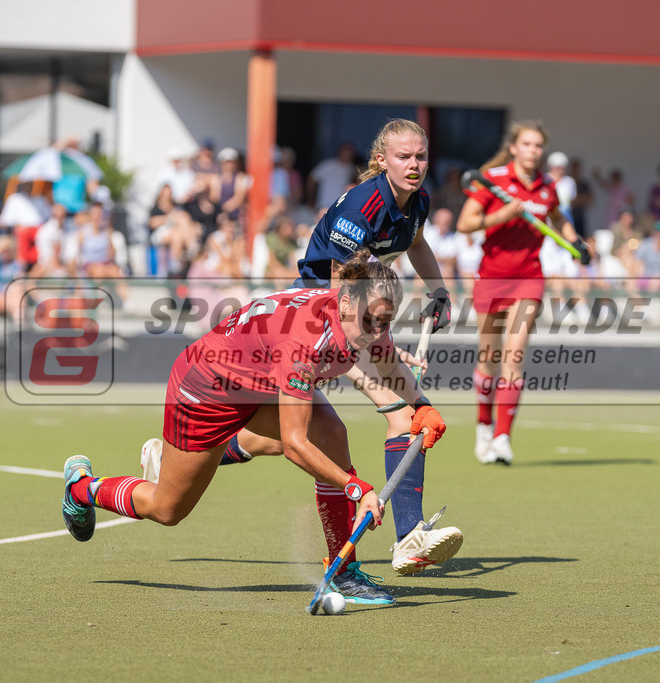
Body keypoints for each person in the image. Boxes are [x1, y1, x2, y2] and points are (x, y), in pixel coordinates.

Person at [63, 251, 446, 605]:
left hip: (256, 382)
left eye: (386, 323)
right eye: (370, 322)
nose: (377, 332)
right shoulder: (307, 340)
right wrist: (356, 488)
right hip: (205, 389)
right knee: (166, 509)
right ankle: (81, 487)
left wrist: (422, 406)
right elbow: (295, 445)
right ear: (345, 303)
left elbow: (389, 361)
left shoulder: (365, 314)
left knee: (331, 436)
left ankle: (343, 573)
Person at [208, 119, 462, 577]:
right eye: (404, 157)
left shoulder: (417, 202)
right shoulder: (362, 210)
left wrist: (439, 291)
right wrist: (384, 353)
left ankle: (198, 450)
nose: (415, 165)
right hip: (314, 318)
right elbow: (342, 296)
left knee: (285, 437)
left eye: (421, 157)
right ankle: (409, 539)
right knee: (400, 414)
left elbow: (418, 243)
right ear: (382, 160)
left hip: (356, 317)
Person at [456, 120, 590, 465]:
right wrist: (502, 214)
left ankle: (503, 437)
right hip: (491, 277)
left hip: (529, 278)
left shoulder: (548, 186)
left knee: (514, 356)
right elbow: (465, 223)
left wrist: (575, 241)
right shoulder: (494, 180)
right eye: (527, 144)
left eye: (538, 145)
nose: (533, 151)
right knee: (489, 359)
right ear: (514, 147)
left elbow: (557, 218)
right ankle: (484, 425)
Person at [308, 142, 356, 210]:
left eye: (350, 153)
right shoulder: (327, 165)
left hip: (339, 207)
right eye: (345, 152)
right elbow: (311, 180)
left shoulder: (351, 169)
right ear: (339, 152)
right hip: (323, 205)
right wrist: (311, 199)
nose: (347, 155)